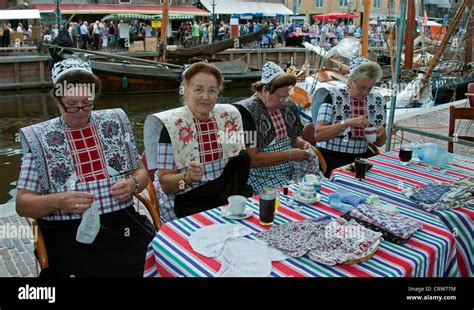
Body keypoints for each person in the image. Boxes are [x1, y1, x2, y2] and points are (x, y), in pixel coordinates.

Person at [16, 59, 153, 277]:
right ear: (57, 101)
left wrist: (133, 184)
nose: (80, 111)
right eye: (71, 104)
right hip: (67, 233)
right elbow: (23, 204)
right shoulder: (40, 139)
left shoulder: (112, 123)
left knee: (150, 261)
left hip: (121, 223)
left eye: (87, 103)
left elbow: (141, 173)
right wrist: (59, 201)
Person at [144, 62, 252, 223]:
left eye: (212, 90)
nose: (206, 97)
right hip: (184, 203)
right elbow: (166, 184)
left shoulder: (227, 118)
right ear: (186, 90)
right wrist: (186, 177)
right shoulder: (173, 126)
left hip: (221, 200)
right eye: (199, 90)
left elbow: (233, 165)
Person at [233, 62, 319, 193]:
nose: (283, 102)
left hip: (292, 172)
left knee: (315, 188)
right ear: (264, 90)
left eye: (285, 97)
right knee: (296, 195)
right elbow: (253, 160)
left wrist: (303, 144)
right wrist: (290, 154)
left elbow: (294, 139)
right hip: (261, 177)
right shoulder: (245, 113)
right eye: (280, 97)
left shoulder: (287, 106)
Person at [311, 58, 387, 177]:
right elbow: (318, 135)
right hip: (330, 157)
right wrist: (346, 123)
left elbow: (379, 144)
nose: (365, 92)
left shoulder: (376, 101)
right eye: (361, 88)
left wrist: (382, 134)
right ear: (350, 81)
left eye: (370, 88)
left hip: (361, 158)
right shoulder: (333, 96)